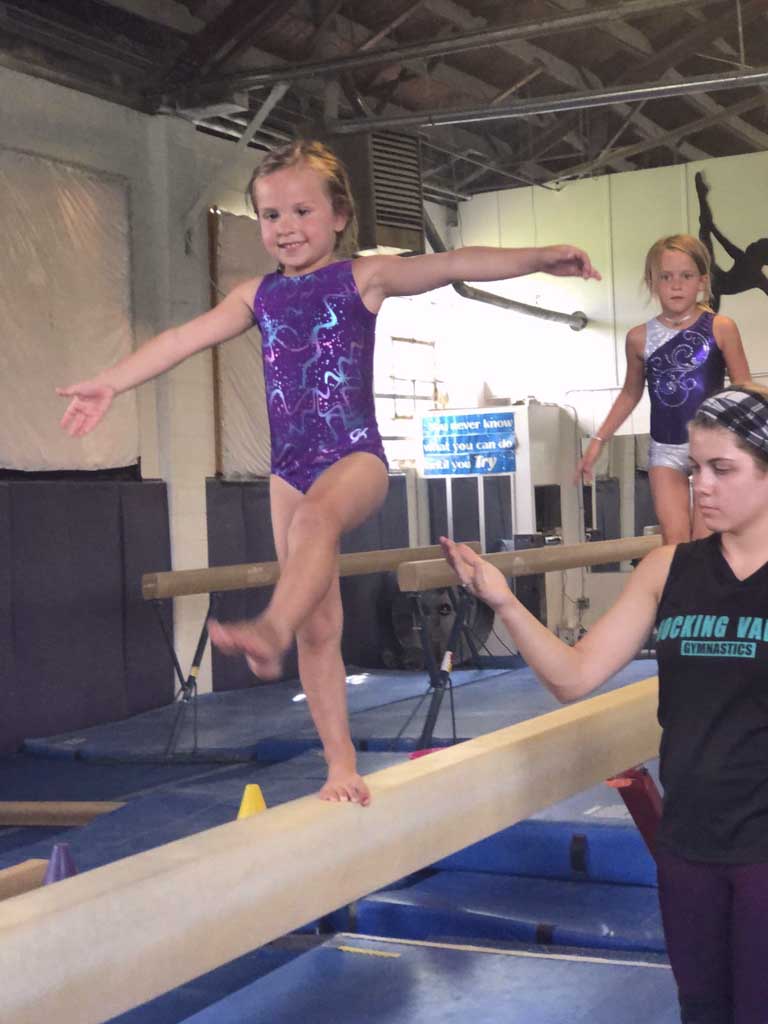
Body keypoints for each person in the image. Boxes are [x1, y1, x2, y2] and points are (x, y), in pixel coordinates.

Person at [57, 138, 599, 807]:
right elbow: (180, 340)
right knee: (321, 625)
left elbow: (453, 261)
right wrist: (111, 382)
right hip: (288, 469)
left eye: (301, 212)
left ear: (340, 215)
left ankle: (268, 631)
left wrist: (540, 258)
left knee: (315, 531)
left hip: (355, 457)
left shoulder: (362, 279)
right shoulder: (255, 295)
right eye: (270, 215)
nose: (285, 228)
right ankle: (340, 766)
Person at [443, 383, 768, 1024]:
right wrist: (504, 600)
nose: (700, 486)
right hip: (688, 846)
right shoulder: (667, 569)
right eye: (694, 468)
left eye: (722, 469)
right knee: (701, 1011)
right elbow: (573, 675)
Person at [576, 234, 750, 544]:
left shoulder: (720, 327)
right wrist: (599, 439)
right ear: (651, 282)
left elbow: (744, 390)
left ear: (702, 281)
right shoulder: (639, 338)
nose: (676, 285)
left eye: (686, 276)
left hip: (712, 446)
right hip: (665, 449)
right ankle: (681, 592)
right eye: (665, 277)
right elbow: (631, 393)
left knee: (706, 540)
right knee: (675, 540)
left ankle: (705, 591)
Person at [695, 171, 768, 313]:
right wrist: (711, 227)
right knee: (705, 229)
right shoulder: (758, 277)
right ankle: (702, 197)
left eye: (756, 245)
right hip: (718, 279)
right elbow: (726, 244)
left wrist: (712, 227)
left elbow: (725, 244)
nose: (752, 245)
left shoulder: (747, 261)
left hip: (717, 282)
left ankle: (702, 197)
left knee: (705, 229)